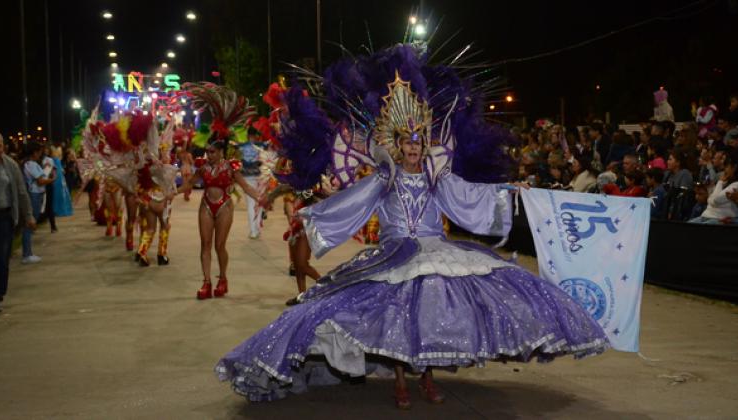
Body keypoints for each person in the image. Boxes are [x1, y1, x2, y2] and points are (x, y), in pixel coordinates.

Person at [215, 56, 608, 408]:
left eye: (419, 144)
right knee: (396, 323)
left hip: (436, 251)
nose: (414, 150)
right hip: (393, 255)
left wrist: (508, 191)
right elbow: (354, 200)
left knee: (431, 318)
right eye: (408, 144)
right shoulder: (384, 178)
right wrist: (316, 215)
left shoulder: (439, 178)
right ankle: (401, 383)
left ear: (425, 146)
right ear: (399, 147)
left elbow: (467, 194)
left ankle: (427, 380)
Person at [179, 83, 262, 300]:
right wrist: (171, 193)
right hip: (206, 205)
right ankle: (206, 282)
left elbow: (245, 187)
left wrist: (263, 198)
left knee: (219, 246)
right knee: (205, 244)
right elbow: (188, 185)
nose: (209, 155)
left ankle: (222, 278)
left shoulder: (231, 167)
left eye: (212, 152)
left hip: (224, 205)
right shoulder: (203, 166)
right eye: (207, 151)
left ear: (222, 151)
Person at [0, 132, 36, 312]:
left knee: (2, 257)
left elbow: (21, 192)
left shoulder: (10, 165)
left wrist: (28, 215)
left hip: (3, 216)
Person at [21, 143, 55, 264]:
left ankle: (28, 253)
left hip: (35, 194)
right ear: (34, 152)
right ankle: (27, 254)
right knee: (30, 223)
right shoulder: (31, 164)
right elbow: (40, 181)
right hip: (34, 195)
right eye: (39, 151)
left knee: (30, 223)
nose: (40, 154)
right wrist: (52, 179)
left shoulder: (29, 164)